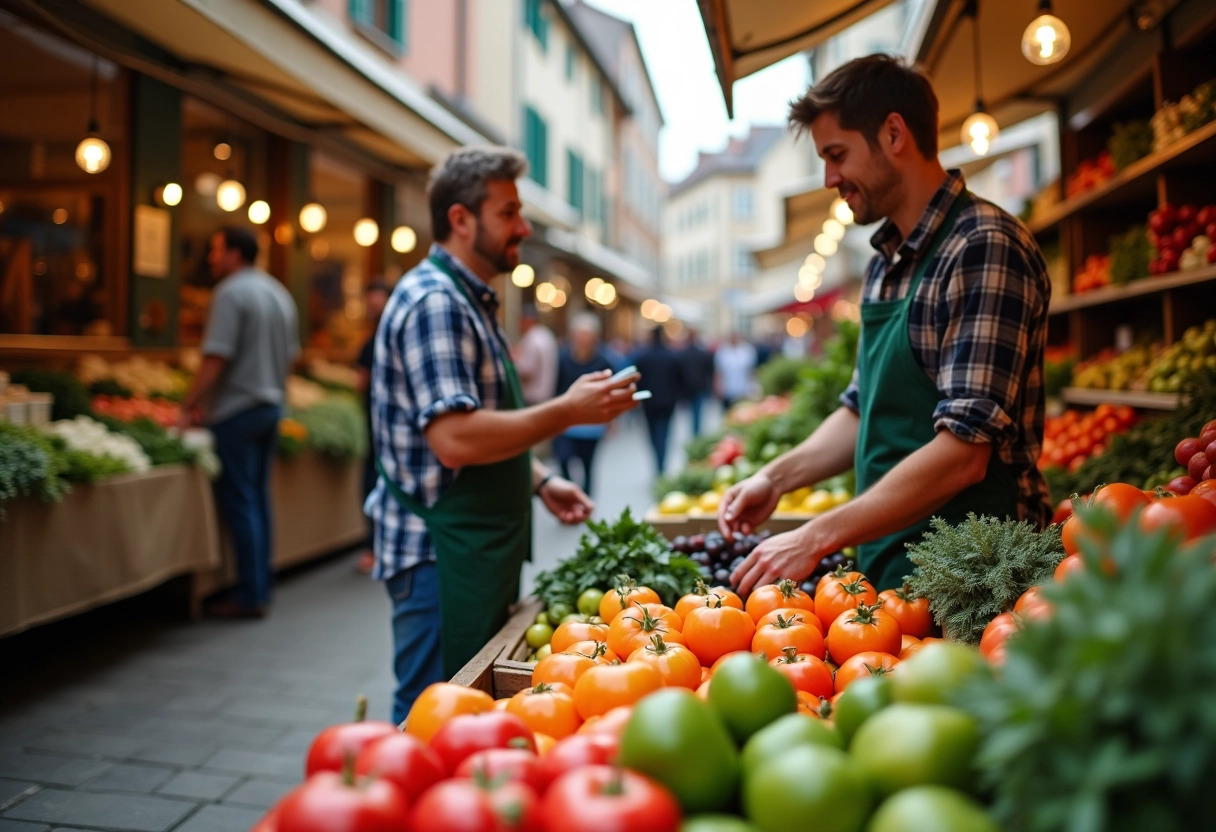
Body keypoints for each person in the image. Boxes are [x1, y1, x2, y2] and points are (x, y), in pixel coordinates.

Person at [721, 54, 1052, 594]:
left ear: (894, 133)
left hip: (974, 578)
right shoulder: (884, 264)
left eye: (837, 154)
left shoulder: (983, 247)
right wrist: (773, 478)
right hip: (889, 563)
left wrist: (814, 536)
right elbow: (861, 407)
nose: (830, 178)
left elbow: (964, 455)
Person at [367, 146, 639, 724]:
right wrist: (566, 411)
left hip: (469, 548)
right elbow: (455, 439)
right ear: (461, 220)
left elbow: (475, 420)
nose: (524, 226)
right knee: (427, 715)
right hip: (435, 555)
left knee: (458, 710)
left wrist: (538, 478)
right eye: (509, 212)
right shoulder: (436, 302)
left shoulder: (469, 300)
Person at [180, 226, 299, 618]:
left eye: (216, 249)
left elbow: (216, 355)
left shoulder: (231, 292)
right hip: (270, 407)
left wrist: (190, 402)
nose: (212, 257)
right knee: (258, 499)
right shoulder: (278, 292)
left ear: (234, 253)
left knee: (243, 501)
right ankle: (260, 585)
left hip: (236, 411)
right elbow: (292, 356)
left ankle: (250, 594)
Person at [553, 312, 615, 495]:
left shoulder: (603, 360)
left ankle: (585, 499)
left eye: (586, 334)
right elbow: (557, 387)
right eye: (580, 333)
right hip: (567, 420)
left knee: (588, 463)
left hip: (591, 422)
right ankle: (570, 490)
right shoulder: (563, 358)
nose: (583, 338)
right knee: (563, 458)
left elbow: (609, 390)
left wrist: (612, 420)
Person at [354, 278, 391, 575]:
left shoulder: (375, 340)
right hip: (383, 427)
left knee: (373, 483)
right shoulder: (386, 337)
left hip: (380, 428)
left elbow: (360, 382)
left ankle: (374, 547)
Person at [631, 326, 685, 477]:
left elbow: (637, 380)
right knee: (664, 434)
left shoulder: (643, 356)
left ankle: (658, 463)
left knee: (653, 435)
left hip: (649, 403)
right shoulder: (672, 356)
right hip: (668, 402)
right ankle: (661, 465)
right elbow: (680, 379)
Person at [512, 303, 559, 407]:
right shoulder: (546, 334)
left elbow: (527, 371)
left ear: (527, 320)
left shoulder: (531, 338)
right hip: (547, 395)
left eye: (520, 321)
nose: (518, 325)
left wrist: (511, 364)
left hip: (533, 400)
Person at [679, 328, 715, 438]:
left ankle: (695, 433)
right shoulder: (702, 353)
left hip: (689, 388)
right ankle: (696, 433)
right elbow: (710, 371)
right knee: (697, 413)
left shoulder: (683, 354)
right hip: (699, 387)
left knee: (692, 413)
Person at [714, 331, 757, 412]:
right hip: (727, 389)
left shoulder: (747, 350)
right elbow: (718, 371)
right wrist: (718, 387)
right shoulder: (722, 351)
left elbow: (751, 370)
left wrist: (752, 385)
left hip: (743, 388)